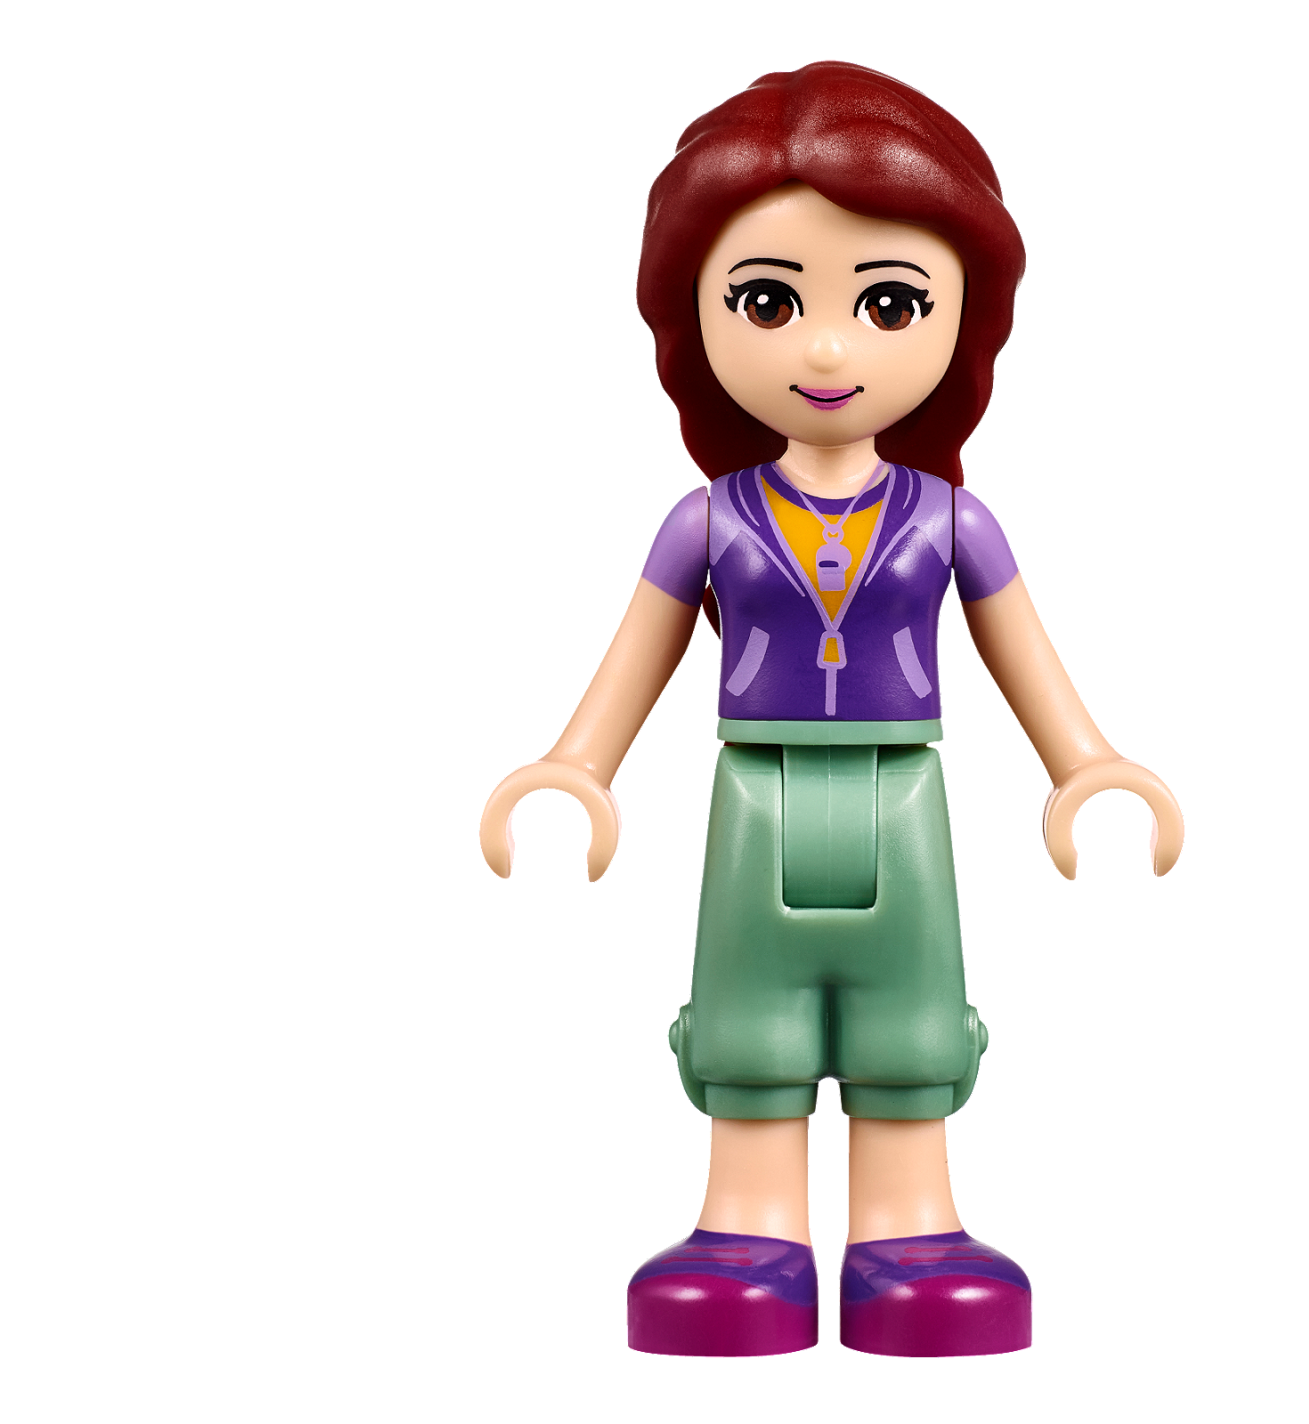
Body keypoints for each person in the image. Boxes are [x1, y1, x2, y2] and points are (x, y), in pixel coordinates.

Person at [479, 62, 1183, 1358]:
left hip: (902, 794)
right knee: (745, 1010)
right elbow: (636, 656)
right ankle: (747, 1227)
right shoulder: (707, 521)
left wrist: (1086, 765)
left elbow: (1024, 654)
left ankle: (909, 1228)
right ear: (696, 317)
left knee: (912, 1009)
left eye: (888, 303)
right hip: (754, 794)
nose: (823, 347)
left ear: (959, 321)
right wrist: (576, 768)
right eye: (767, 299)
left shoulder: (951, 521)